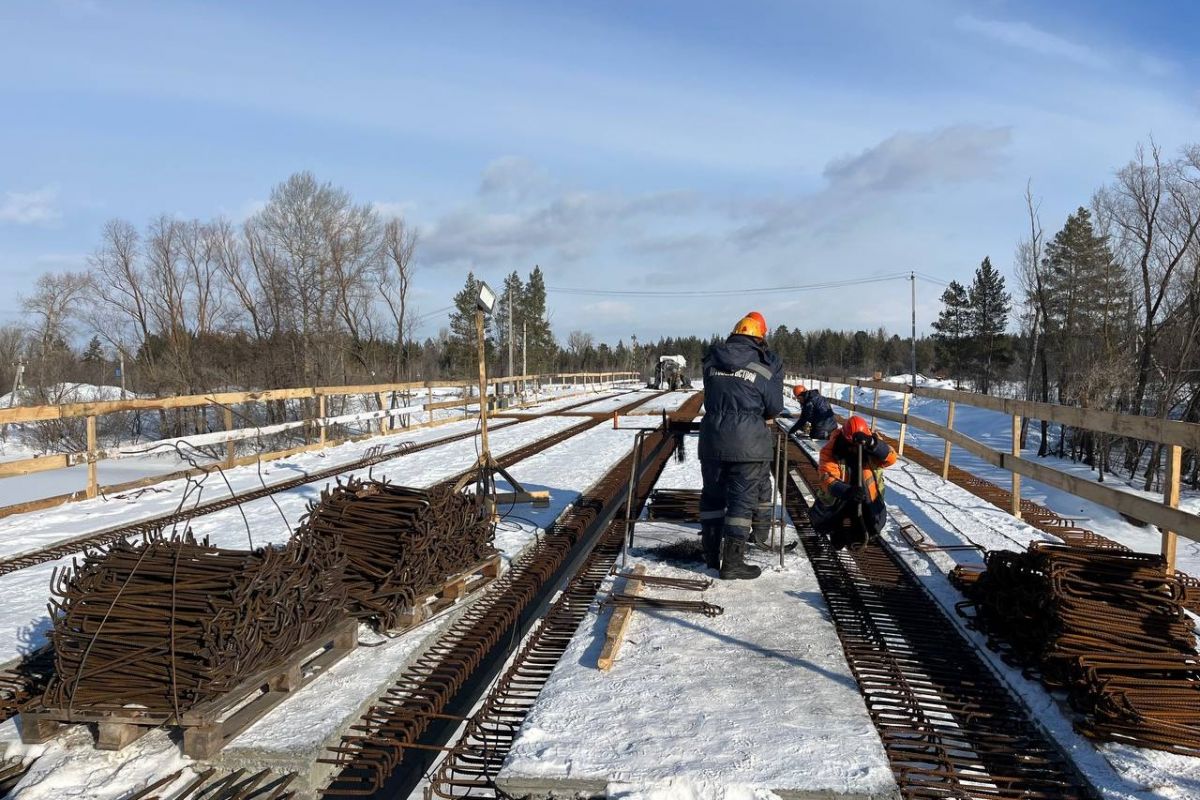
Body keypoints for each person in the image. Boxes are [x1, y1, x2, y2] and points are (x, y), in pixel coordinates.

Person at [698, 311, 784, 580]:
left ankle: (711, 555)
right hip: (748, 445)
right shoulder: (763, 365)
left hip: (712, 441)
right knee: (741, 504)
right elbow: (775, 407)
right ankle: (733, 562)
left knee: (712, 497)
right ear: (760, 337)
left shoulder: (712, 360)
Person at [810, 415, 897, 550]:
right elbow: (827, 478)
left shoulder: (873, 443)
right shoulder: (831, 450)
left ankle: (865, 528)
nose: (855, 449)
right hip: (842, 497)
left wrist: (872, 444)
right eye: (852, 446)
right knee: (823, 521)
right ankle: (838, 528)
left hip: (868, 497)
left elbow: (891, 458)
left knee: (875, 524)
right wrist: (846, 491)